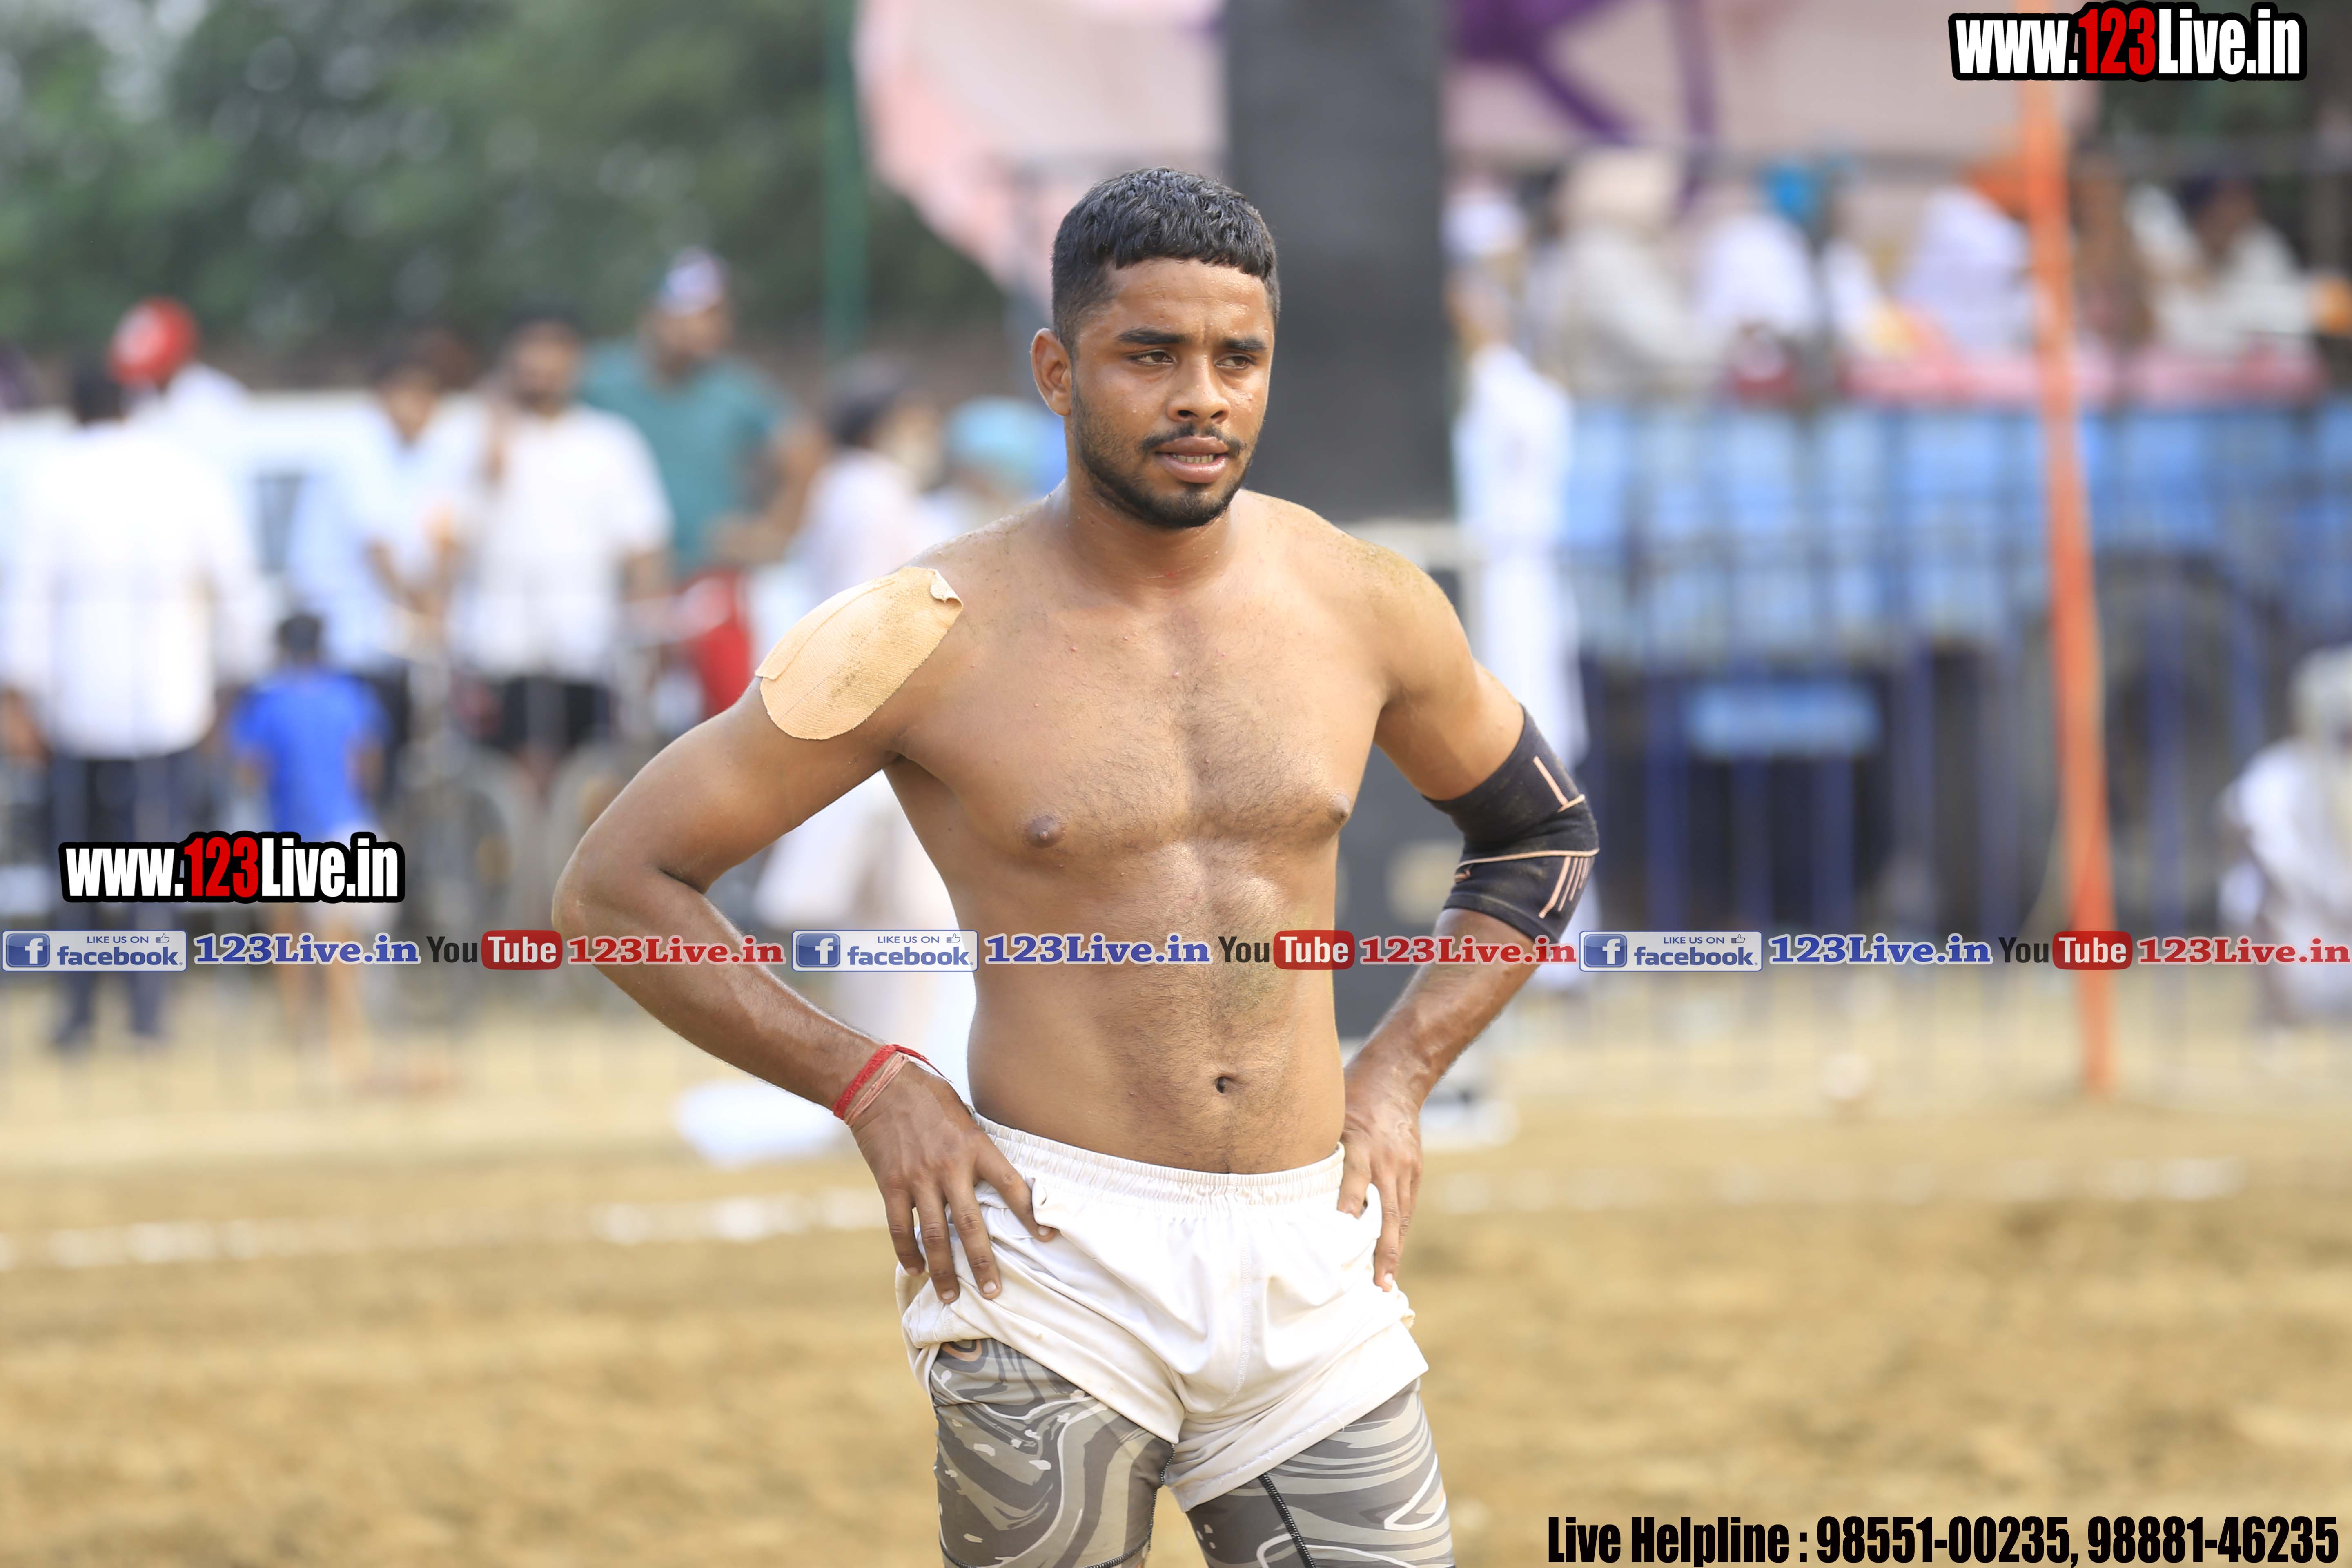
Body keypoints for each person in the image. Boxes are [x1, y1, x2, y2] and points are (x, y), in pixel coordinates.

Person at [557, 167, 1597, 1565]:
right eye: (1149, 356)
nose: (1203, 398)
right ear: (1057, 371)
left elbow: (1542, 834)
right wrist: (871, 1085)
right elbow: (614, 888)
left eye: (1237, 359)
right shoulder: (923, 628)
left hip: (1313, 1249)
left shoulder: (1364, 601)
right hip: (1049, 1259)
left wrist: (1404, 1071)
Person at [0, 360, 267, 1047]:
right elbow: (237, 587)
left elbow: (25, 596)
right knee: (153, 867)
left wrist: (16, 702)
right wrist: (231, 689)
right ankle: (149, 1017)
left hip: (73, 712)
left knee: (77, 871)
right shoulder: (186, 475)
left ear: (73, 411)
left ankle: (79, 1016)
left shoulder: (50, 481)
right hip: (170, 707)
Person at [581, 249, 815, 720]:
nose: (704, 328)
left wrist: (772, 530)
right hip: (618, 579)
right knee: (622, 717)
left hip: (707, 575)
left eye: (715, 315)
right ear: (654, 315)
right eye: (691, 315)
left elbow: (804, 451)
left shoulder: (732, 389)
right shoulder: (601, 380)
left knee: (727, 714)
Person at [449, 304, 670, 794]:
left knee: (587, 778)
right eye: (530, 350)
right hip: (499, 643)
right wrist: (492, 435)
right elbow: (449, 536)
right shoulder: (475, 437)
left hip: (587, 642)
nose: (541, 365)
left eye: (555, 350)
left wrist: (650, 636)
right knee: (510, 773)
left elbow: (643, 549)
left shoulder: (610, 442)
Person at [283, 339, 475, 794]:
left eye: (429, 396)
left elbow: (447, 535)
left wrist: (439, 600)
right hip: (342, 642)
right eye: (409, 393)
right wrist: (425, 609)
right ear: (383, 394)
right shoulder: (357, 445)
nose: (419, 407)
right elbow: (379, 549)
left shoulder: (431, 452)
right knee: (355, 769)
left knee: (400, 761)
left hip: (394, 644)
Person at [229, 612, 392, 1080]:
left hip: (287, 832)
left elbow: (249, 770)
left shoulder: (268, 703)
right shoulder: (348, 695)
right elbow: (368, 760)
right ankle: (347, 1032)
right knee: (341, 944)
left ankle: (300, 1029)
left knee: (287, 937)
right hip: (344, 825)